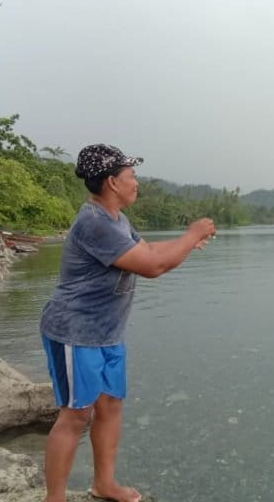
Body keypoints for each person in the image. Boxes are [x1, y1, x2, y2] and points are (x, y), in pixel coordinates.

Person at [40, 144, 216, 502]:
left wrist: (184, 243)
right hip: (76, 332)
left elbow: (149, 253)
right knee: (75, 416)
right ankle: (54, 498)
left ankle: (104, 483)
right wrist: (191, 235)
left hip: (107, 333)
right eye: (131, 176)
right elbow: (153, 268)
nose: (137, 182)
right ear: (112, 182)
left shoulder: (115, 218)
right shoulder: (94, 222)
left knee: (110, 407)